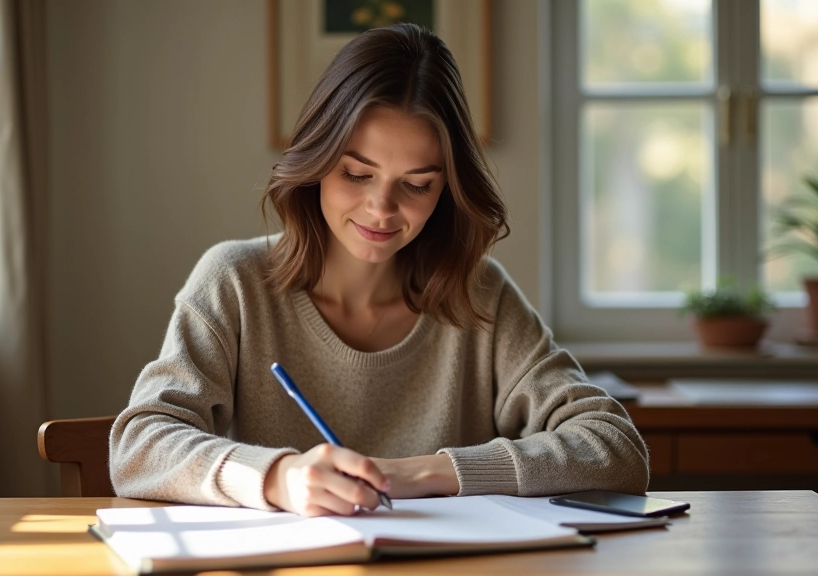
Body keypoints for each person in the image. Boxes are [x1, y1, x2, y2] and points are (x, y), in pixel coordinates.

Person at [109, 23, 649, 517]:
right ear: (317, 162)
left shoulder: (477, 296)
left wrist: (421, 474)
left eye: (417, 185)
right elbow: (140, 445)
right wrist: (279, 476)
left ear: (446, 189)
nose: (381, 209)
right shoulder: (235, 281)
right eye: (356, 174)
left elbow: (615, 449)